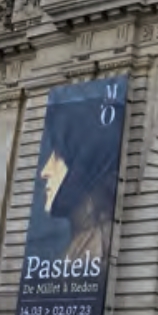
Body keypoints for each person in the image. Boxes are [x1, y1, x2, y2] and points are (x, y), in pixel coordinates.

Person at [36, 99, 119, 262]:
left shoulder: (97, 245)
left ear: (84, 161)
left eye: (58, 156)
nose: (44, 172)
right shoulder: (84, 244)